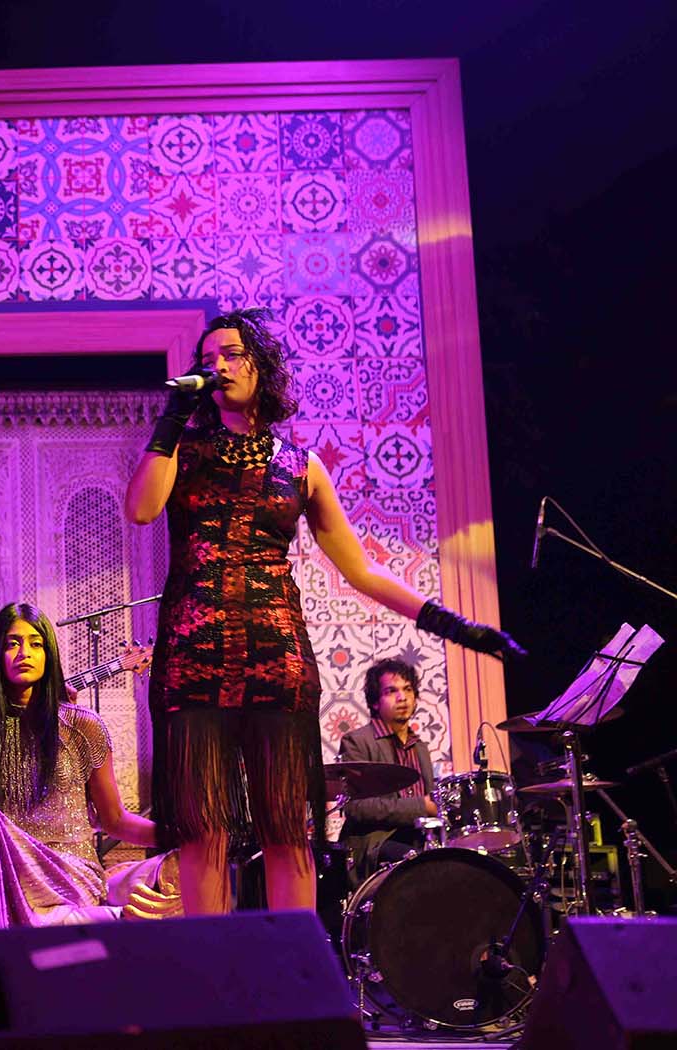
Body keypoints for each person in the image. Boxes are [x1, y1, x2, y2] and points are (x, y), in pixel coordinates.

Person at [123, 307, 522, 916]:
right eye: (208, 360)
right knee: (202, 831)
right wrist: (172, 418)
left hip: (277, 660)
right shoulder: (182, 449)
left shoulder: (300, 465)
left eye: (232, 354)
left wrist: (453, 625)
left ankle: (295, 982)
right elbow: (142, 509)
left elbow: (361, 570)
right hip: (192, 658)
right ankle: (205, 984)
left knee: (287, 828)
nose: (219, 366)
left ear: (262, 365)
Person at [0, 603, 155, 930]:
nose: (25, 652)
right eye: (12, 644)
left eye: (35, 644)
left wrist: (183, 835)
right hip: (5, 873)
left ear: (48, 653)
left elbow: (115, 820)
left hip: (70, 872)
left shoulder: (83, 726)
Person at [338, 658, 438, 881]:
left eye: (408, 690)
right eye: (391, 691)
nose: (402, 698)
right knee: (420, 863)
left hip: (418, 839)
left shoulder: (420, 748)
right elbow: (356, 807)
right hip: (375, 842)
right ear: (375, 702)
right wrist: (422, 806)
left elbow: (432, 803)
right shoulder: (357, 741)